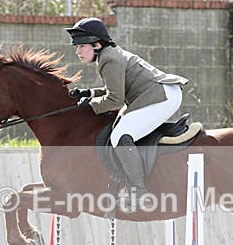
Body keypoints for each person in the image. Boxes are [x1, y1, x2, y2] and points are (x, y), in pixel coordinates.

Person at [65, 17, 188, 212]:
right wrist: (89, 93)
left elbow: (115, 100)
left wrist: (91, 106)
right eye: (76, 47)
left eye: (81, 46)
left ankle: (139, 191)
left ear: (96, 45)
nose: (77, 51)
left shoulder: (109, 59)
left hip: (161, 97)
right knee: (119, 129)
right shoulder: (108, 54)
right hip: (156, 93)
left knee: (120, 136)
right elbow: (114, 89)